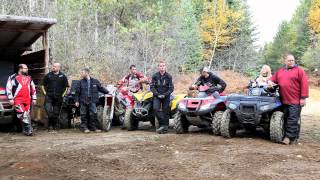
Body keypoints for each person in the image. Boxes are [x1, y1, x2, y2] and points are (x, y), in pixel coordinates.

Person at [269, 53, 309, 145]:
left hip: (295, 100)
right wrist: (270, 82)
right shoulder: (280, 71)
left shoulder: (299, 71)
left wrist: (303, 98)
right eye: (289, 60)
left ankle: (288, 138)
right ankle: (293, 136)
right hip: (283, 100)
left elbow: (304, 84)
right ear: (285, 61)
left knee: (293, 119)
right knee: (286, 118)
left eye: (293, 60)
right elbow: (272, 79)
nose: (291, 62)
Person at [75, 68, 109, 133]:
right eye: (81, 72)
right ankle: (84, 128)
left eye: (82, 72)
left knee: (93, 114)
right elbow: (77, 92)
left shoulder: (95, 81)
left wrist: (108, 92)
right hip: (83, 101)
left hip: (92, 100)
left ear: (87, 73)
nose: (81, 74)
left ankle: (94, 128)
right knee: (83, 115)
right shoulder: (80, 82)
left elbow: (101, 88)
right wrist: (76, 101)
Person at [6, 64, 37, 136]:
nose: (27, 69)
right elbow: (8, 88)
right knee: (22, 114)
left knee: (27, 115)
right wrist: (10, 98)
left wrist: (34, 98)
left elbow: (33, 88)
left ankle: (25, 130)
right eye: (25, 68)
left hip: (27, 99)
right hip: (17, 99)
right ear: (20, 69)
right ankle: (29, 130)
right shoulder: (13, 77)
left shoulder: (29, 77)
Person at [41, 63, 69, 132]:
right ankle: (51, 125)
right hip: (49, 97)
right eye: (53, 66)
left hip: (58, 98)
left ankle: (53, 126)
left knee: (56, 113)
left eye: (55, 66)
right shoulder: (48, 75)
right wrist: (45, 93)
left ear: (59, 68)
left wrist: (62, 95)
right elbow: (42, 85)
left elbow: (66, 87)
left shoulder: (63, 76)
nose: (53, 67)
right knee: (49, 111)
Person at [150, 61, 174, 134]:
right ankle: (162, 124)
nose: (162, 67)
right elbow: (152, 87)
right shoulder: (155, 76)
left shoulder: (169, 76)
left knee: (166, 111)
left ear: (165, 67)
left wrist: (165, 94)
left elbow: (171, 88)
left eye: (163, 66)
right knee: (155, 109)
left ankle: (165, 128)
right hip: (157, 95)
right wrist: (157, 94)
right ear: (158, 67)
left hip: (166, 96)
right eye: (160, 66)